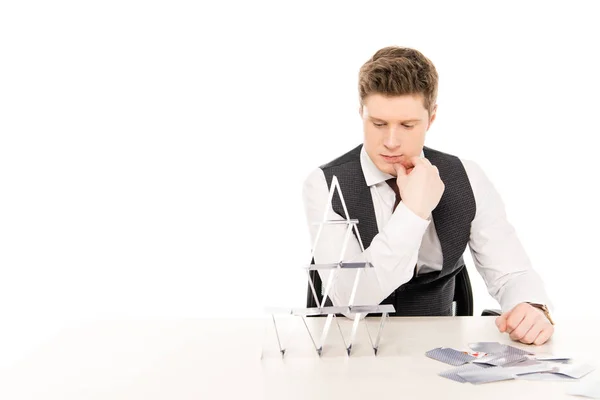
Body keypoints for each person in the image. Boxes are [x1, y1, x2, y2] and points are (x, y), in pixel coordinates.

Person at [302, 46, 554, 345]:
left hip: (440, 352)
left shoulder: (467, 177)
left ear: (431, 118)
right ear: (361, 114)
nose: (391, 142)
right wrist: (413, 211)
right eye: (378, 124)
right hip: (349, 354)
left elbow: (512, 274)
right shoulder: (324, 184)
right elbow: (351, 299)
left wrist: (530, 307)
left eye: (408, 125)